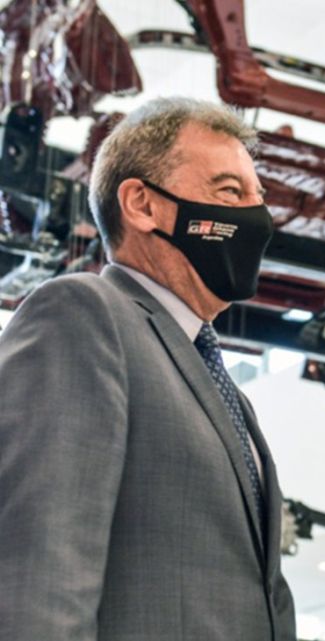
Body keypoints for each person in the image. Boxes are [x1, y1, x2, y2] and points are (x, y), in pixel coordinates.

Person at [0, 97, 296, 640]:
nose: (259, 220)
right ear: (141, 204)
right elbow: (39, 573)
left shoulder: (222, 385)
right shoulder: (83, 316)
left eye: (260, 199)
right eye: (230, 192)